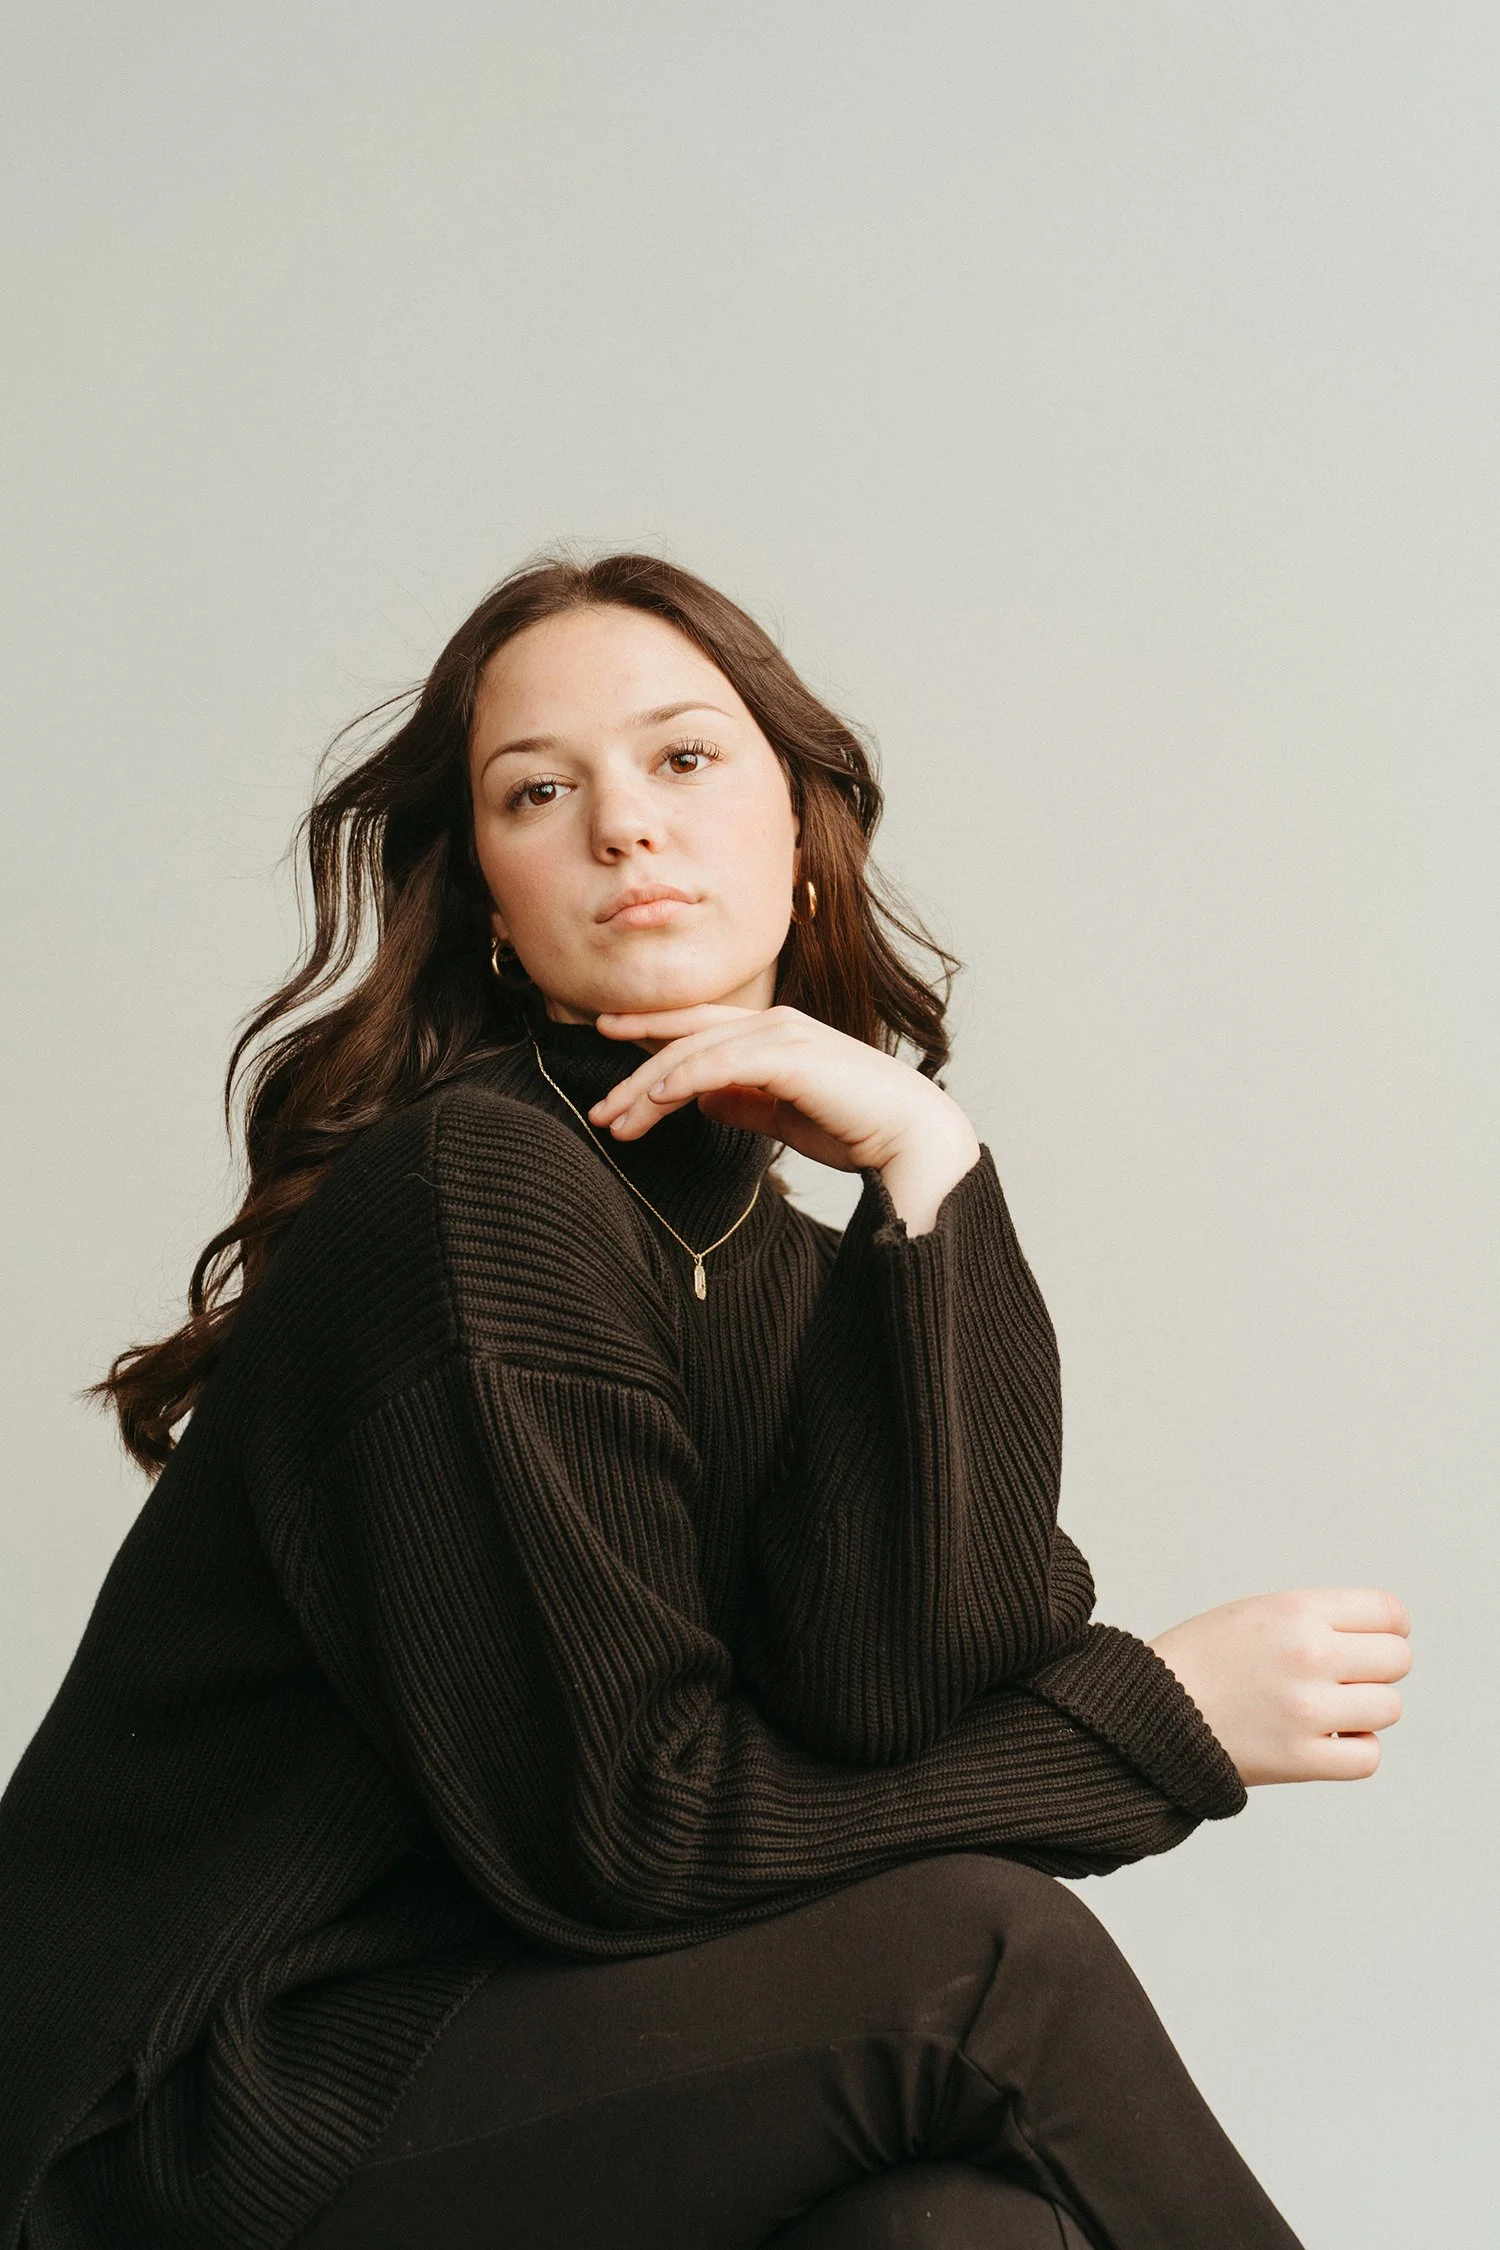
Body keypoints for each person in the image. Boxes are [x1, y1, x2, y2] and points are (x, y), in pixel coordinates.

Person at [0, 553, 1412, 2250]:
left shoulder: (793, 1264)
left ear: (801, 831)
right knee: (986, 1960)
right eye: (541, 791)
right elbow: (630, 1827)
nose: (623, 825)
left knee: (951, 2228)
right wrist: (1154, 1721)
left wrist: (928, 1175)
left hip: (522, 2043)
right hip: (206, 2109)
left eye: (684, 759)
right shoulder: (476, 1193)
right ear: (490, 908)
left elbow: (898, 1681)